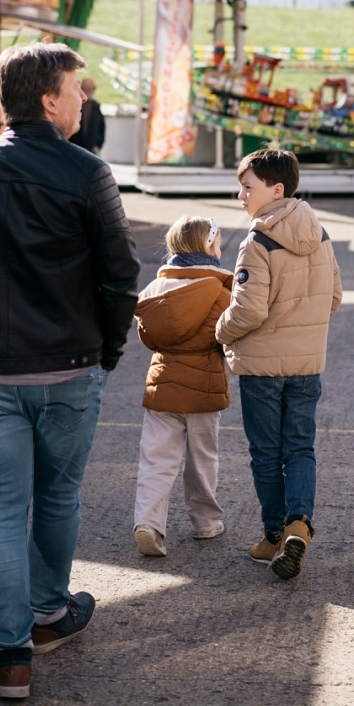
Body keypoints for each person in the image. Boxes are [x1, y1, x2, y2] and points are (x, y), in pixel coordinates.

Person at [0, 41, 140, 701]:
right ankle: (48, 613)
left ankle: (10, 652)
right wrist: (105, 351)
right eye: (78, 89)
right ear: (48, 99)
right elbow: (120, 276)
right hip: (69, 367)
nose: (84, 100)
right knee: (55, 497)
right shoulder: (86, 172)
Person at [216, 147, 342, 580]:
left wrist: (219, 331)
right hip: (307, 365)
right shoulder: (321, 234)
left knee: (267, 454)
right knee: (301, 448)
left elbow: (247, 311)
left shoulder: (258, 241)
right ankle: (298, 525)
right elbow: (335, 298)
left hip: (262, 368)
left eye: (246, 187)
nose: (241, 196)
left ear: (276, 190)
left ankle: (274, 534)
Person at [132, 214, 231, 557]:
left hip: (162, 387)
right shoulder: (220, 289)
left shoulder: (153, 291)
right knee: (201, 460)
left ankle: (148, 522)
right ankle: (206, 522)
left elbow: (147, 337)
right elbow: (226, 337)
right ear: (208, 245)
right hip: (205, 390)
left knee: (156, 460)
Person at [68, 76, 105, 153]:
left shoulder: (96, 106)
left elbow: (102, 127)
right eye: (86, 88)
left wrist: (98, 145)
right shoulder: (75, 105)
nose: (88, 91)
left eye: (90, 88)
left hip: (91, 148)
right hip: (75, 146)